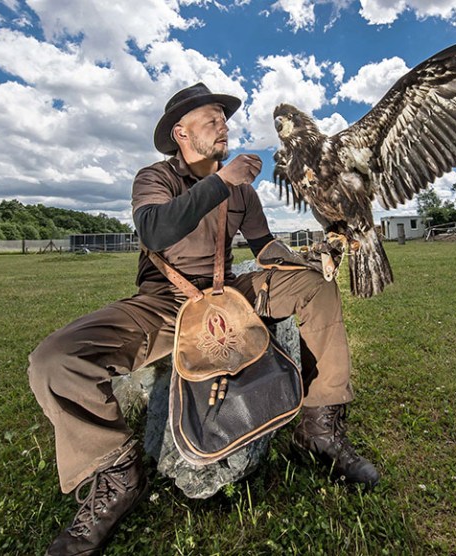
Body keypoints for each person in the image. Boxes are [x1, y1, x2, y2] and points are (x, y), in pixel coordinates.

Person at [27, 82, 379, 556]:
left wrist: (303, 258)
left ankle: (317, 430)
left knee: (318, 288)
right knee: (54, 361)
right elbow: (155, 227)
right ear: (181, 132)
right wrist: (221, 181)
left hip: (229, 291)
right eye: (211, 119)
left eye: (224, 118)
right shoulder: (155, 178)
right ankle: (114, 474)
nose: (224, 126)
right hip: (164, 302)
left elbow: (263, 247)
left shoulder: (242, 192)